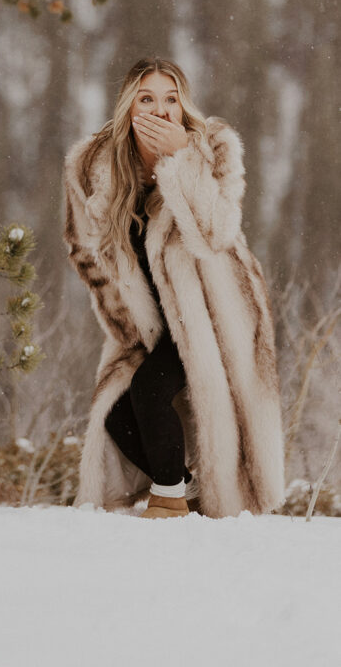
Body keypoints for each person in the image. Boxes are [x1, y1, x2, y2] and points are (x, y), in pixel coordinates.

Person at [63, 57, 284, 519]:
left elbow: (215, 235)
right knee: (116, 410)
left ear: (183, 105)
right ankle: (188, 487)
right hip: (148, 320)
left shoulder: (212, 148)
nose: (160, 111)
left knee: (150, 389)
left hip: (214, 311)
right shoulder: (91, 164)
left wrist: (182, 161)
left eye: (171, 99)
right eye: (146, 99)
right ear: (128, 106)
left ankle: (168, 502)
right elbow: (84, 250)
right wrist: (124, 321)